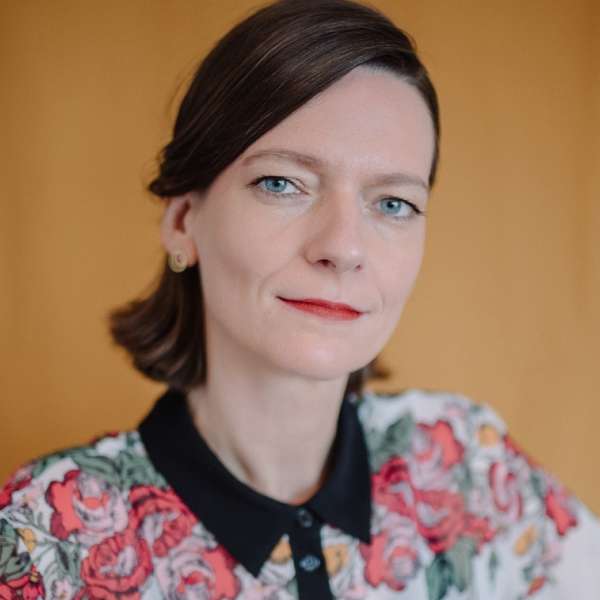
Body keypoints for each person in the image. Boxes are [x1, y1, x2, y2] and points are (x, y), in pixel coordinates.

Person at [1, 0, 599, 598]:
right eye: (282, 183)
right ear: (183, 221)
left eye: (393, 203)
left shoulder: (469, 467)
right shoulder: (43, 537)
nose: (343, 247)